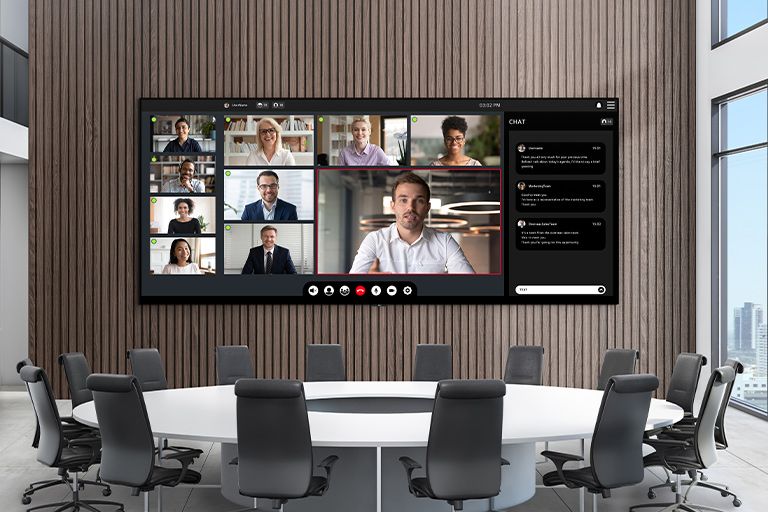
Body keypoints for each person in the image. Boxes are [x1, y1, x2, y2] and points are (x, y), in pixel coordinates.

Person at [349, 172, 475, 274]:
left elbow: (470, 284)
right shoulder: (375, 240)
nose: (410, 207)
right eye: (403, 200)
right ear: (393, 206)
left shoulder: (444, 241)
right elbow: (352, 287)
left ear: (427, 207)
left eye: (419, 201)